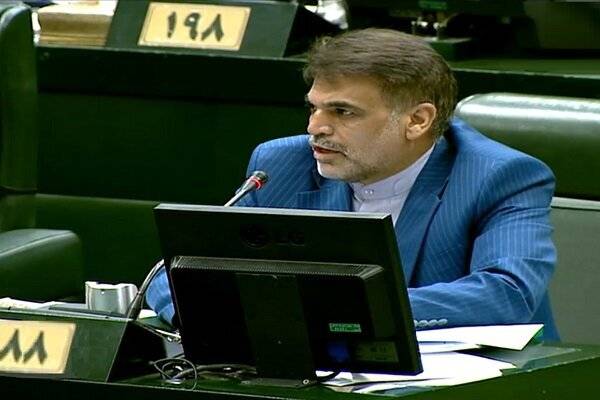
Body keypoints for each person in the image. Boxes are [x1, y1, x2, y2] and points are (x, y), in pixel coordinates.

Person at [146, 28, 558, 339]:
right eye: (313, 108)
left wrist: (330, 307)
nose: (316, 128)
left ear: (417, 120)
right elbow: (174, 274)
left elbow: (507, 293)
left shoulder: (498, 176)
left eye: (343, 112)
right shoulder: (280, 164)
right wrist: (215, 314)